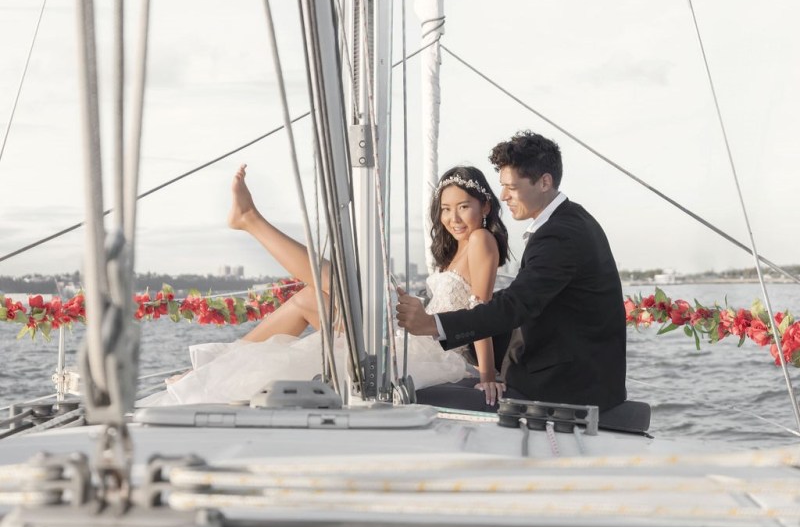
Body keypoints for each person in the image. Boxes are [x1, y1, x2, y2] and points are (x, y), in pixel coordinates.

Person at [139, 163, 509, 406]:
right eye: (446, 209)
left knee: (341, 284)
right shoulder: (459, 249)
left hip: (435, 355)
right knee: (309, 298)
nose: (453, 217)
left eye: (463, 207)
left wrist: (487, 379)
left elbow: (483, 314)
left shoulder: (481, 242)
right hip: (415, 340)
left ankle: (251, 220)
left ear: (485, 207)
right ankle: (210, 369)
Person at [397, 131, 627, 412]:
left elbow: (517, 305)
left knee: (413, 397)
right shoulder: (567, 222)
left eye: (512, 187)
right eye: (502, 186)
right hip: (552, 373)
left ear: (545, 182)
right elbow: (520, 297)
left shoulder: (561, 233)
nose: (503, 196)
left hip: (566, 387)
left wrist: (433, 325)